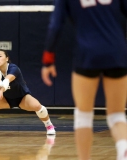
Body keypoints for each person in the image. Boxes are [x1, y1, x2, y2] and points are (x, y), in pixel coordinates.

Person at [41, 1, 127, 160]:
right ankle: (123, 150)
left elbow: (55, 25)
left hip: (87, 53)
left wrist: (48, 60)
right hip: (117, 51)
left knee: (83, 116)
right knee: (117, 115)